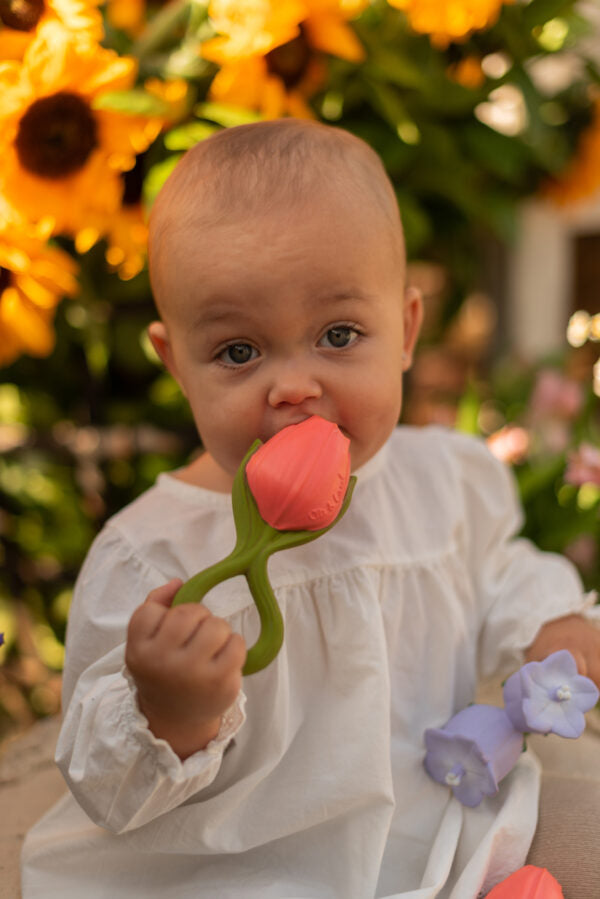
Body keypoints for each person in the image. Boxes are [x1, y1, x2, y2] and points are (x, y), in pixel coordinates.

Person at [22, 119, 600, 898]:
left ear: (406, 330)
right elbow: (105, 787)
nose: (294, 386)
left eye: (338, 334)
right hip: (234, 864)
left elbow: (500, 571)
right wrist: (166, 713)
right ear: (177, 363)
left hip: (432, 814)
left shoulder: (441, 479)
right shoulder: (154, 556)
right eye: (238, 351)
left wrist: (550, 623)